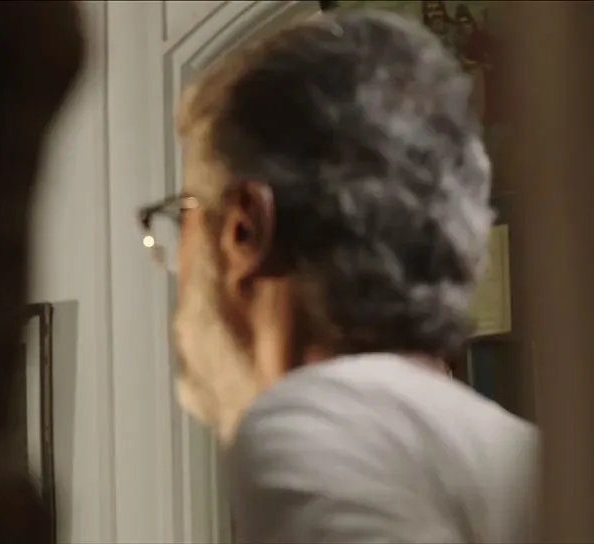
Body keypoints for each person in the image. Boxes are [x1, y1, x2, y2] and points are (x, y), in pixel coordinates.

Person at [138, 10, 536, 543]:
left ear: (243, 231)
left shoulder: (316, 425)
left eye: (183, 215)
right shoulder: (521, 454)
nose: (175, 265)